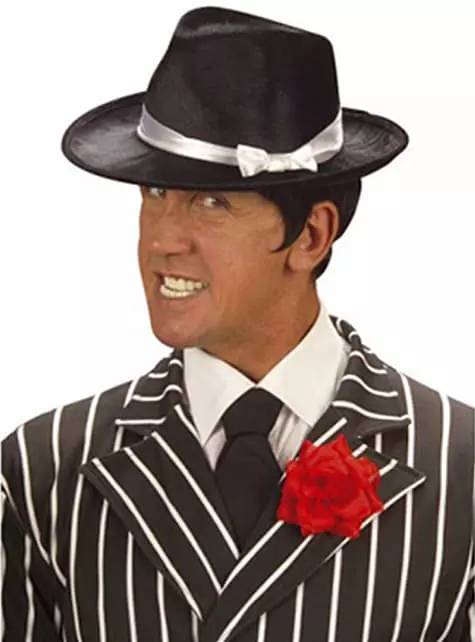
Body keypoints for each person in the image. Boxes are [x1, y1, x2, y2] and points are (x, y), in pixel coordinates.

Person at [1, 7, 473, 642]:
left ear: (311, 235)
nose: (162, 240)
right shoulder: (45, 470)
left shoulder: (460, 468)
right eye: (154, 195)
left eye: (210, 202)